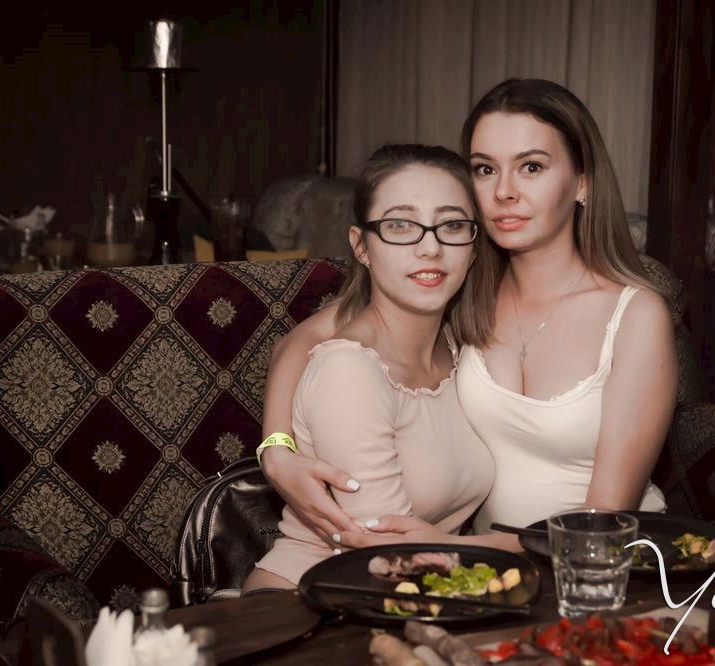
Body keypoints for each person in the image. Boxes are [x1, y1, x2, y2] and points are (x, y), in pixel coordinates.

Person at [259, 79, 679, 552]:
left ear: (582, 181)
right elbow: (302, 341)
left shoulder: (635, 315)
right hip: (485, 576)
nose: (504, 191)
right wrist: (276, 448)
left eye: (532, 167)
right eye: (485, 169)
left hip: (603, 568)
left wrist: (448, 548)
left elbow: (602, 527)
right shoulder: (458, 286)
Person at [243, 144, 507, 592]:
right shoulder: (349, 370)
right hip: (311, 600)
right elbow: (385, 553)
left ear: (474, 246)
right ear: (361, 246)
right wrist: (521, 555)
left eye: (451, 225)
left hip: (420, 597)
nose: (430, 247)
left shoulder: (459, 348)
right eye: (400, 225)